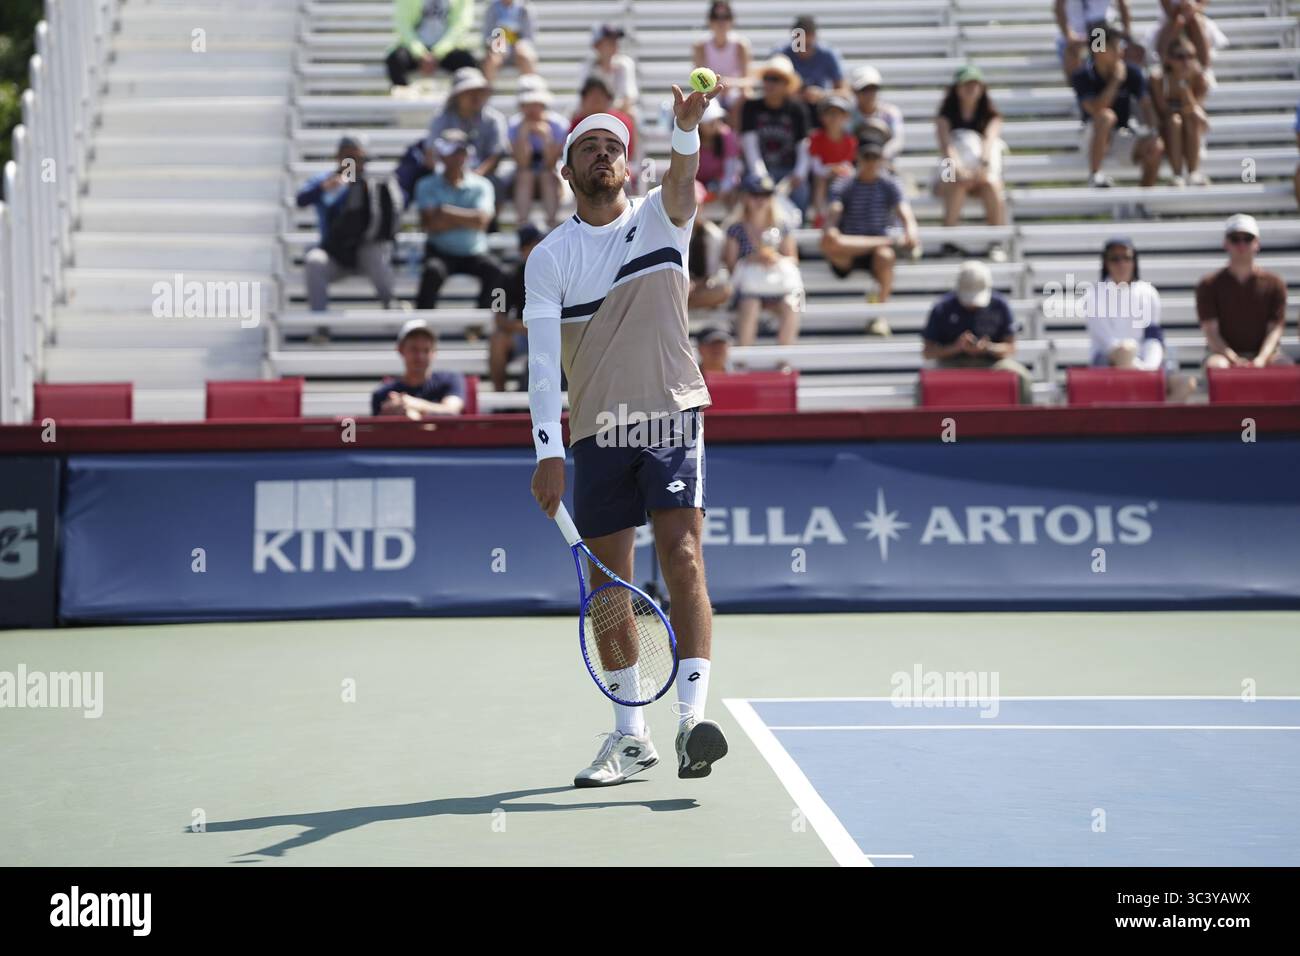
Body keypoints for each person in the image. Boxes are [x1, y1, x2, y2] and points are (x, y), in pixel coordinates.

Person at [524, 83, 731, 785]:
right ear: (568, 170)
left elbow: (683, 173)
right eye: (590, 147)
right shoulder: (549, 258)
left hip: (672, 413)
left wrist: (684, 129)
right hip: (595, 434)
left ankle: (693, 720)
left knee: (685, 556)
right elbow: (543, 368)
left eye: (614, 146)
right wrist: (548, 453)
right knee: (608, 583)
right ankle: (630, 737)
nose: (605, 155)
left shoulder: (664, 216)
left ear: (627, 162)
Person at [296, 135, 398, 312]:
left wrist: (359, 187)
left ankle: (392, 309)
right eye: (346, 156)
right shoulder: (325, 180)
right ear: (338, 157)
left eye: (356, 157)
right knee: (314, 261)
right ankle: (321, 326)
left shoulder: (374, 184)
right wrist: (324, 187)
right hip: (334, 253)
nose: (351, 162)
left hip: (365, 252)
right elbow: (301, 200)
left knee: (375, 252)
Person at [820, 139, 919, 317]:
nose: (871, 162)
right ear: (858, 158)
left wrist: (911, 231)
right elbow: (833, 217)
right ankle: (889, 242)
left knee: (885, 256)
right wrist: (831, 226)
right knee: (830, 242)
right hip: (851, 250)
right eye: (867, 157)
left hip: (874, 251)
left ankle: (879, 313)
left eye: (875, 157)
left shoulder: (890, 184)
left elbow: (906, 213)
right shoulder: (844, 183)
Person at [414, 130, 506, 310]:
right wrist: (469, 218)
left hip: (474, 253)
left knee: (497, 272)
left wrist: (444, 211)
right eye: (453, 151)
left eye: (461, 151)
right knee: (432, 272)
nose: (457, 157)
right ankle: (422, 325)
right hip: (440, 252)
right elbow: (431, 224)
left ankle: (479, 324)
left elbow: (482, 221)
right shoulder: (425, 184)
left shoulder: (482, 184)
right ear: (441, 155)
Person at [921, 260, 1034, 404]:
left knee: (1022, 377)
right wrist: (956, 348)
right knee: (924, 381)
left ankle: (1026, 422)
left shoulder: (1000, 306)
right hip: (952, 362)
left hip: (991, 362)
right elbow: (928, 352)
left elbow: (1011, 348)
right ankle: (925, 424)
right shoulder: (942, 308)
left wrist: (988, 348)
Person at [1071, 21, 1164, 188]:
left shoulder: (1132, 72)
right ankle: (1095, 175)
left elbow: (1146, 105)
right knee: (1106, 116)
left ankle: (1142, 203)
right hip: (1091, 135)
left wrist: (1153, 132)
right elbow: (1096, 110)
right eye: (1115, 46)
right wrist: (1116, 81)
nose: (1121, 51)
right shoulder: (1083, 75)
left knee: (1155, 148)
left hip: (1121, 134)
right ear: (1099, 49)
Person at [1197, 215, 1293, 369]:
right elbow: (1211, 333)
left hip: (1266, 355)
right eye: (1235, 239)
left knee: (1285, 366)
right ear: (1226, 243)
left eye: (1247, 238)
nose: (1241, 244)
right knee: (1217, 366)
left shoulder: (1275, 284)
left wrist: (1261, 359)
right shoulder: (1209, 284)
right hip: (1223, 355)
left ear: (1257, 243)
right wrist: (1233, 359)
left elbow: (1275, 329)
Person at [723, 173, 803, 345]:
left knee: (792, 305)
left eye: (766, 195)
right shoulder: (735, 229)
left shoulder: (783, 226)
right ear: (745, 197)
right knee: (750, 304)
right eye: (755, 195)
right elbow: (731, 266)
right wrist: (754, 259)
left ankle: (784, 361)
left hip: (777, 288)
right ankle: (744, 359)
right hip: (747, 290)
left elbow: (793, 260)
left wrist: (775, 259)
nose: (760, 200)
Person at [934, 66, 1008, 249]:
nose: (971, 88)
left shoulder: (992, 117)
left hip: (979, 171)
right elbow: (947, 149)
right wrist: (960, 171)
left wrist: (979, 169)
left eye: (975, 84)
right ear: (957, 88)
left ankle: (996, 242)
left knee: (991, 184)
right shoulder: (945, 117)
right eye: (967, 84)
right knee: (956, 182)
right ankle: (949, 239)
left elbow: (989, 144)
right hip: (950, 169)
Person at [740, 55, 811, 217]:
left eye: (776, 79)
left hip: (788, 171)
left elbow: (803, 144)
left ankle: (796, 233)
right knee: (752, 187)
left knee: (801, 189)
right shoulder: (751, 107)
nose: (769, 84)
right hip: (759, 170)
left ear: (786, 84)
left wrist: (798, 173)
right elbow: (749, 145)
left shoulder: (798, 109)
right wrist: (762, 177)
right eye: (767, 78)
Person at [1085, 237, 1166, 370]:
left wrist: (1149, 366)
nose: (1121, 264)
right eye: (1115, 259)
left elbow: (1153, 337)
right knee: (1125, 350)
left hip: (1143, 361)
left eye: (1126, 258)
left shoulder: (1149, 293)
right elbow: (1108, 343)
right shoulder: (1093, 295)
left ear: (1134, 261)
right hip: (1106, 362)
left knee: (1184, 384)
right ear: (1106, 263)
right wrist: (1139, 368)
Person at [428, 67, 510, 191]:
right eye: (469, 91)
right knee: (427, 186)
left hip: (482, 176)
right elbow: (431, 153)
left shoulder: (494, 119)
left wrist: (474, 178)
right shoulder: (441, 117)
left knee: (494, 185)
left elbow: (495, 156)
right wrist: (445, 176)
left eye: (479, 91)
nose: (475, 96)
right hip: (445, 174)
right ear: (457, 96)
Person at [372, 319, 467, 418]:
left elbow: (452, 411)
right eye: (414, 349)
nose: (420, 356)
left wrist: (412, 405)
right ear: (400, 349)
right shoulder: (383, 394)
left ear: (434, 352)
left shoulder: (451, 379)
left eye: (426, 350)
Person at [490, 223, 545, 391]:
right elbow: (499, 317)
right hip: (524, 333)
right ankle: (499, 399)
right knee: (498, 339)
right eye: (534, 245)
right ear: (523, 250)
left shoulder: (562, 271)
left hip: (557, 334)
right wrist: (528, 328)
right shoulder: (507, 275)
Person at [1150, 33, 1210, 186]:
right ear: (1169, 59)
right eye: (1180, 56)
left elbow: (1195, 108)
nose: (1186, 61)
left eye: (1190, 56)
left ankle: (1193, 173)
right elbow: (1163, 110)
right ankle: (1177, 175)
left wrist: (1183, 86)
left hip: (1191, 127)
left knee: (1191, 119)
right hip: (1166, 129)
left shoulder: (1200, 79)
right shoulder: (1158, 79)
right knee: (1175, 121)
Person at [509, 76, 566, 228]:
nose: (532, 109)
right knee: (525, 175)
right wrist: (523, 135)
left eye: (536, 103)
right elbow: (522, 163)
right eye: (527, 104)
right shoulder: (515, 125)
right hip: (525, 179)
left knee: (547, 176)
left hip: (550, 177)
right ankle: (523, 226)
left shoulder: (557, 124)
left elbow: (550, 163)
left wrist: (547, 137)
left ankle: (551, 224)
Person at [385, 0, 478, 87]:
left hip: (447, 50)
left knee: (468, 63)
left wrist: (437, 53)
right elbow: (403, 25)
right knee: (396, 60)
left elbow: (460, 26)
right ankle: (403, 100)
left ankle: (463, 101)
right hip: (414, 50)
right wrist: (421, 53)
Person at [772, 15, 848, 116]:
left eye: (807, 45)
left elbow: (844, 92)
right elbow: (770, 88)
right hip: (788, 108)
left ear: (814, 38)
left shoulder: (828, 54)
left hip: (819, 109)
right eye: (799, 45)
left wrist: (822, 94)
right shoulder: (781, 54)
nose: (803, 51)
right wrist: (792, 94)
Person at [693, 1, 752, 114]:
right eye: (716, 17)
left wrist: (729, 84)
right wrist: (716, 88)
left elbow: (748, 81)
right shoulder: (700, 46)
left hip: (735, 97)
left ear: (732, 20)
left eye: (725, 17)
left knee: (746, 97)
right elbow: (699, 83)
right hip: (710, 96)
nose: (721, 22)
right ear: (709, 21)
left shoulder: (741, 45)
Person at [809, 95, 857, 228]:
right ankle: (821, 217)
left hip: (842, 178)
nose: (834, 118)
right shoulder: (816, 138)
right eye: (829, 113)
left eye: (838, 114)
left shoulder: (850, 140)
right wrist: (831, 169)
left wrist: (838, 170)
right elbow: (816, 167)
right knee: (821, 181)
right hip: (821, 178)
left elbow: (849, 166)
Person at [1054, 1, 1133, 82]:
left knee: (1101, 57)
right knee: (1073, 52)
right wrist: (1069, 35)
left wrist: (1126, 30)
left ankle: (1103, 85)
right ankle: (1081, 89)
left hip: (1099, 29)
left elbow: (1122, 4)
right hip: (1077, 32)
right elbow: (1059, 8)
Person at [569, 76, 637, 169]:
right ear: (583, 99)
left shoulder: (621, 121)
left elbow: (628, 153)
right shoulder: (578, 123)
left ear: (609, 99)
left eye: (600, 95)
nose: (596, 100)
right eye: (592, 95)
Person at [849, 66, 904, 170]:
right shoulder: (847, 115)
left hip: (886, 166)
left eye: (873, 89)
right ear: (854, 91)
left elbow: (897, 141)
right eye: (864, 90)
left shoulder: (891, 113)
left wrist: (880, 156)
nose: (870, 94)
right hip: (854, 168)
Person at [688, 182, 732, 311]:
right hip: (673, 287)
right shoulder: (665, 231)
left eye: (695, 204)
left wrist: (693, 284)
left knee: (722, 290)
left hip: (698, 289)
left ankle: (684, 306)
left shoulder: (713, 235)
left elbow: (710, 275)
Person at [581, 23, 639, 120]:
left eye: (615, 40)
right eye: (609, 40)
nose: (614, 44)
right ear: (597, 45)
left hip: (618, 115)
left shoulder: (625, 65)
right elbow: (583, 102)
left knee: (631, 114)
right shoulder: (587, 67)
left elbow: (627, 101)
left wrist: (603, 109)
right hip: (594, 114)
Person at [695, 99, 742, 208]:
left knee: (735, 192)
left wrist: (724, 187)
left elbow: (730, 171)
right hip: (696, 183)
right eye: (709, 121)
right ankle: (700, 224)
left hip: (719, 182)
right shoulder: (690, 139)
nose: (714, 124)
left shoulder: (727, 136)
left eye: (716, 120)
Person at [480, 0, 537, 84]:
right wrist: (494, 43)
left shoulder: (525, 8)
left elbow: (529, 38)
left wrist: (521, 44)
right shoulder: (492, 8)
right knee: (490, 60)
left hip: (518, 51)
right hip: (499, 51)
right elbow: (487, 36)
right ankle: (486, 92)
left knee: (526, 57)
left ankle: (532, 91)